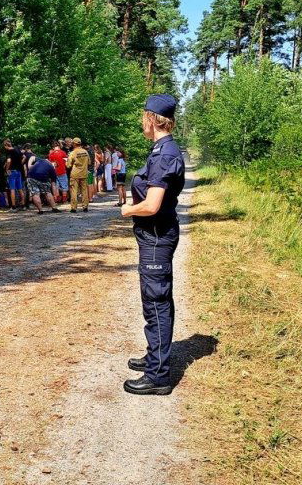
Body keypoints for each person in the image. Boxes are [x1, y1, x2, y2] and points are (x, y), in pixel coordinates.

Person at [120, 93, 185, 396]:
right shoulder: (162, 149)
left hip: (157, 236)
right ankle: (154, 355)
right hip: (156, 236)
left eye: (142, 116)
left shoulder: (163, 155)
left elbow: (152, 205)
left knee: (156, 301)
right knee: (155, 297)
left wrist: (128, 210)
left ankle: (158, 375)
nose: (140, 122)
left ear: (151, 118)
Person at [66, 137, 90, 213]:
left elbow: (68, 165)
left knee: (74, 191)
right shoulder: (85, 152)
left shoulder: (72, 153)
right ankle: (85, 207)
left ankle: (74, 208)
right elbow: (89, 162)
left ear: (74, 144)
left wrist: (66, 162)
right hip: (84, 173)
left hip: (75, 174)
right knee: (84, 191)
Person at [3, 139, 25, 210]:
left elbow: (9, 161)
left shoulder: (9, 151)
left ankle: (13, 207)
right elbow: (24, 157)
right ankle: (23, 205)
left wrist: (6, 170)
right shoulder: (17, 149)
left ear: (6, 145)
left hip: (12, 171)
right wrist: (19, 164)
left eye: (4, 146)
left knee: (12, 189)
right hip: (19, 171)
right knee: (20, 189)